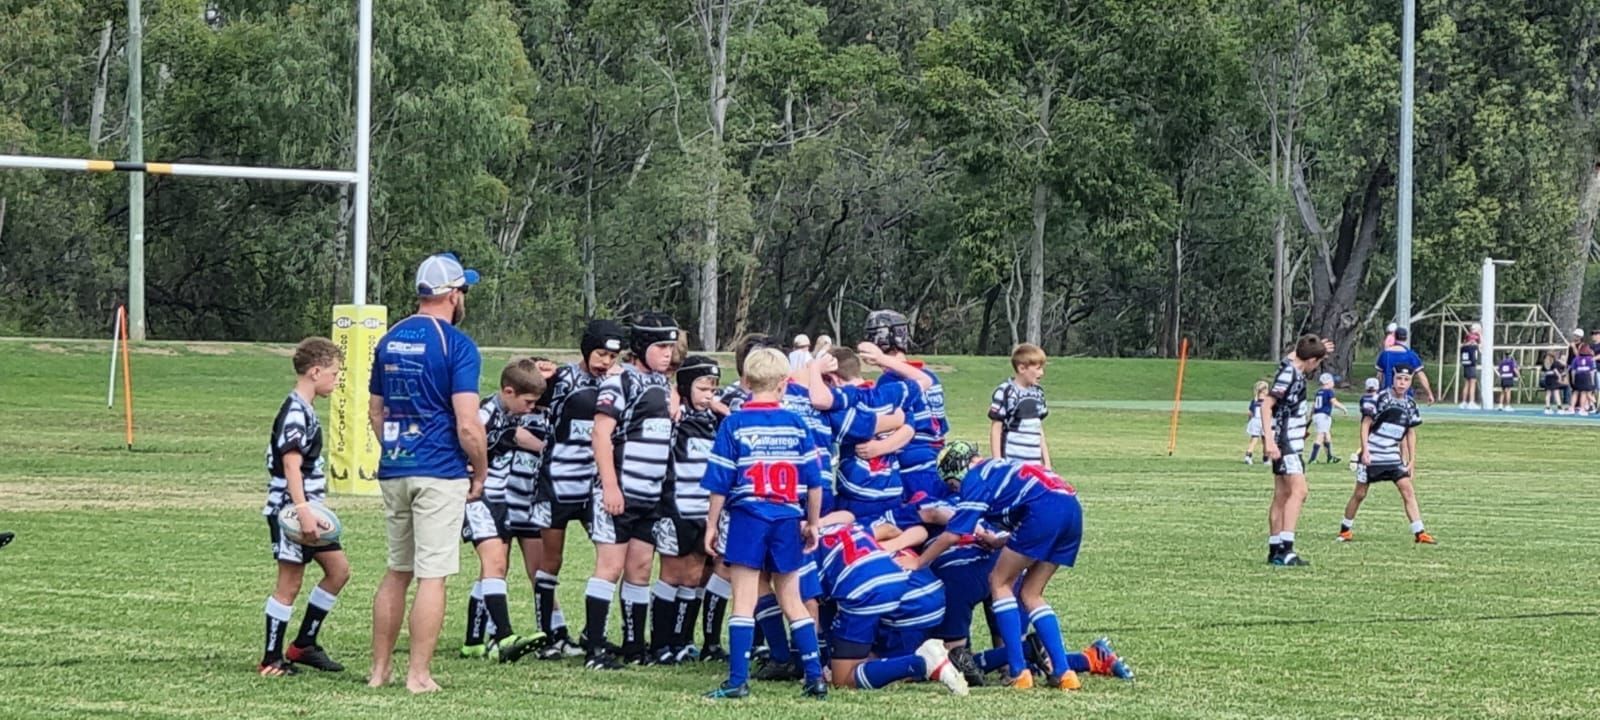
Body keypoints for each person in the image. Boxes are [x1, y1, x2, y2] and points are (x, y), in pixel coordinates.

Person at [367, 252, 484, 693]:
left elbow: (376, 411)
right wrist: (480, 470)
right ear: (454, 294)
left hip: (396, 467)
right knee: (432, 573)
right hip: (440, 470)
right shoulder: (457, 345)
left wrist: (396, 448)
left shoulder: (390, 339)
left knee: (397, 569)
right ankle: (419, 674)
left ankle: (380, 670)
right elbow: (468, 423)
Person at [701, 348, 827, 700]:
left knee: (743, 599)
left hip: (749, 516)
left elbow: (719, 481)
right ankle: (815, 678)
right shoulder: (797, 423)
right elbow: (815, 482)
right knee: (793, 599)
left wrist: (712, 525)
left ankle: (738, 681)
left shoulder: (735, 423)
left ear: (745, 382)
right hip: (787, 517)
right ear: (785, 384)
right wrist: (812, 523)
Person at [919, 442, 1084, 690]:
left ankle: (1018, 670)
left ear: (956, 470)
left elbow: (954, 533)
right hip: (1071, 508)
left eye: (953, 484)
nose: (957, 490)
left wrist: (920, 561)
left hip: (1042, 512)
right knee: (1031, 593)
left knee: (999, 581)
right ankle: (1063, 671)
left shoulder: (975, 478)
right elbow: (1035, 521)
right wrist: (997, 541)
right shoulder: (999, 466)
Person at [585, 312, 680, 669]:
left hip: (650, 496)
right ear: (641, 347)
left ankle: (633, 644)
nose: (668, 353)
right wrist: (610, 485)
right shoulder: (619, 381)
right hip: (619, 491)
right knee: (609, 568)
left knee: (640, 569)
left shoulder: (663, 385)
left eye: (671, 346)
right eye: (661, 346)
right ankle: (595, 647)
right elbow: (600, 435)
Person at [531, 320, 623, 659]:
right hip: (556, 481)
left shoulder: (617, 382)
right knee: (552, 559)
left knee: (609, 557)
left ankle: (593, 632)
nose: (606, 362)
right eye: (601, 353)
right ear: (586, 349)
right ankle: (550, 634)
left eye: (613, 356)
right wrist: (538, 371)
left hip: (593, 486)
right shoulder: (562, 378)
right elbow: (523, 383)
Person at [258, 337, 349, 677]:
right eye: (334, 372)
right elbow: (291, 466)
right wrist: (304, 511)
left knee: (339, 571)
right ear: (315, 372)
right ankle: (271, 658)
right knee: (289, 585)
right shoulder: (296, 412)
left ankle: (304, 645)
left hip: (307, 508)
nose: (337, 379)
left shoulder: (306, 408)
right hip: (291, 512)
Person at [808, 523, 969, 695]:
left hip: (894, 599)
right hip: (923, 592)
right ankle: (954, 659)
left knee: (843, 677)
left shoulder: (795, 554)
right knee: (854, 659)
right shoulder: (838, 529)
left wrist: (813, 666)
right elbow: (891, 529)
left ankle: (922, 662)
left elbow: (811, 613)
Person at [458, 358, 549, 663]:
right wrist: (471, 479)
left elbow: (519, 437)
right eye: (528, 401)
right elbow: (464, 438)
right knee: (494, 562)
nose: (531, 408)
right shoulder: (485, 413)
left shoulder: (512, 413)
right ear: (508, 391)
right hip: (475, 497)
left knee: (495, 568)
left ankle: (473, 640)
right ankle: (505, 635)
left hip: (500, 500)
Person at [650, 355, 722, 664]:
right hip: (674, 507)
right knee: (671, 574)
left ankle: (682, 640)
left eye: (713, 390)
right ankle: (660, 642)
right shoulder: (675, 419)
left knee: (694, 575)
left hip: (702, 510)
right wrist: (677, 397)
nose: (708, 395)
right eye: (702, 389)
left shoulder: (715, 421)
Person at [1338, 365, 1434, 544]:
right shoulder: (1380, 398)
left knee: (1407, 490)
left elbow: (1410, 432)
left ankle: (1419, 532)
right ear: (1393, 379)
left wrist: (1411, 460)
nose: (1402, 383)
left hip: (1392, 457)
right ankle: (1345, 529)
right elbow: (1366, 424)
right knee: (1359, 494)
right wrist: (1364, 450)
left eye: (1406, 379)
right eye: (1399, 379)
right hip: (1373, 455)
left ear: (1410, 381)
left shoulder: (1410, 404)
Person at [1261, 334, 1332, 566]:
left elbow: (1295, 354)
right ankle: (1287, 548)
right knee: (1300, 492)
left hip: (1291, 439)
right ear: (1311, 360)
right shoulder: (1289, 374)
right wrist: (1270, 441)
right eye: (1318, 361)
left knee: (1282, 494)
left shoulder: (1292, 366)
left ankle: (1275, 549)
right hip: (1285, 441)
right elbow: (1266, 404)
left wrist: (1317, 346)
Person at [988, 343, 1051, 467]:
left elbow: (1038, 429)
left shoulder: (1038, 392)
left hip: (1035, 464)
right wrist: (997, 462)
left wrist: (1047, 463)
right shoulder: (1005, 392)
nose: (1042, 373)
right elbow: (996, 428)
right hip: (1012, 463)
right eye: (1038, 368)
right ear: (1022, 368)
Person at [1374, 327, 1435, 403]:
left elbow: (1379, 376)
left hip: (1387, 396)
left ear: (1395, 337)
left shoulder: (1385, 354)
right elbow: (1421, 376)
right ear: (1406, 338)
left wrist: (1375, 392)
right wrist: (1429, 393)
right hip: (1405, 397)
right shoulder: (1411, 355)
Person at [1307, 373, 1348, 464]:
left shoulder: (1318, 392)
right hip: (1323, 416)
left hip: (1317, 415)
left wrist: (1310, 416)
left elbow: (1314, 405)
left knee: (1327, 435)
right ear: (1328, 382)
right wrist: (1343, 408)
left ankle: (1330, 457)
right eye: (1332, 381)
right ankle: (1313, 458)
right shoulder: (1329, 391)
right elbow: (1333, 402)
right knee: (1321, 435)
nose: (1333, 383)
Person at [1243, 380, 1267, 465]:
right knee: (1266, 441)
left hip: (1255, 421)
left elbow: (1250, 413)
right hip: (1264, 422)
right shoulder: (1267, 401)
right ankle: (1266, 459)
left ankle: (1248, 456)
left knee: (1254, 439)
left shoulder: (1254, 401)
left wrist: (1249, 421)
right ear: (1264, 390)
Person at [1458, 323, 1481, 409]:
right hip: (1471, 364)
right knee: (1472, 382)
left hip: (1466, 364)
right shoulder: (1473, 344)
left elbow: (1463, 344)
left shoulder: (1464, 346)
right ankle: (1471, 401)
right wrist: (1480, 336)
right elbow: (1481, 347)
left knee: (1467, 383)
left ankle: (1464, 402)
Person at [1571, 344, 1596, 415]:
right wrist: (1592, 381)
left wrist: (1573, 380)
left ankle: (1572, 408)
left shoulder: (1576, 358)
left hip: (1578, 376)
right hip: (1586, 376)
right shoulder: (1590, 359)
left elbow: (1573, 371)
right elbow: (1592, 372)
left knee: (1576, 392)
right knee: (1584, 393)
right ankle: (1582, 409)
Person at [1540, 350, 1567, 415]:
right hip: (1553, 378)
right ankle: (1559, 408)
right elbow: (1556, 370)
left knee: (1548, 394)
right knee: (1556, 393)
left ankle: (1547, 408)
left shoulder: (1545, 363)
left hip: (1547, 378)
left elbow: (1543, 371)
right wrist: (1560, 377)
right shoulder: (1554, 362)